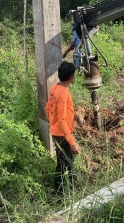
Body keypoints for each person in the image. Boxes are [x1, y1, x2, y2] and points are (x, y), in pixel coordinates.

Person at [46, 61, 80, 193]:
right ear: (71, 77)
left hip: (57, 131)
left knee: (63, 162)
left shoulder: (55, 88)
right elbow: (62, 120)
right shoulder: (63, 93)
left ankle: (62, 190)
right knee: (67, 163)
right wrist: (71, 142)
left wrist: (52, 123)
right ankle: (67, 190)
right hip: (62, 134)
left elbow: (47, 108)